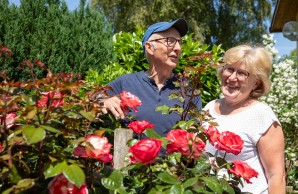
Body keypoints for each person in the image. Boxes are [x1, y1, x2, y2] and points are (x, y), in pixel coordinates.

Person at [204, 44, 286, 193]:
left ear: (256, 82)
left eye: (242, 73)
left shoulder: (262, 115)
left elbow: (276, 175)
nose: (232, 77)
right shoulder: (209, 107)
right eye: (229, 69)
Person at [100, 18, 201, 137]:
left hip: (174, 156)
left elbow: (195, 131)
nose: (178, 48)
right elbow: (90, 101)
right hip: (130, 155)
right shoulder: (126, 82)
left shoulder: (189, 88)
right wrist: (104, 101)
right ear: (149, 47)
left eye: (179, 42)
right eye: (170, 41)